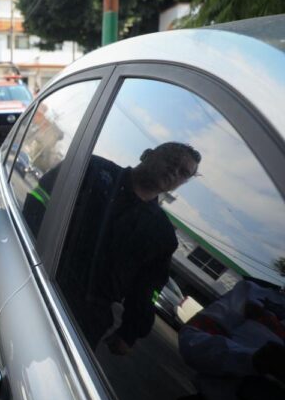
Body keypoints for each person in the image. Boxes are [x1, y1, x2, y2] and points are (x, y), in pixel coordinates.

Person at [48, 142, 201, 354]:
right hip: (42, 274)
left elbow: (147, 289)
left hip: (85, 318)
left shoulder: (162, 235)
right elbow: (41, 200)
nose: (175, 171)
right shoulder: (92, 169)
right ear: (147, 153)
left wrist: (129, 332)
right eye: (172, 160)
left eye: (184, 172)